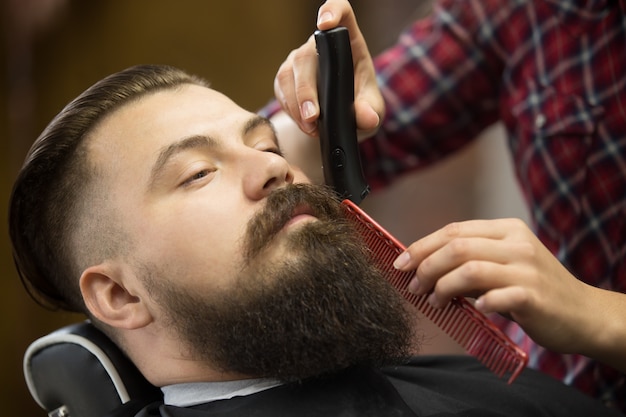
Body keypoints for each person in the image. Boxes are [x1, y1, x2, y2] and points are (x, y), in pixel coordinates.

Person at [9, 64, 623, 417]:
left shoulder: (454, 382)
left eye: (267, 145)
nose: (275, 169)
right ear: (118, 295)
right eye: (198, 173)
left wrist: (605, 321)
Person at [266, 0, 626, 411]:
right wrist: (321, 118)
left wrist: (598, 314)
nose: (262, 171)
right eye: (200, 174)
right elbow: (331, 140)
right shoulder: (525, 10)